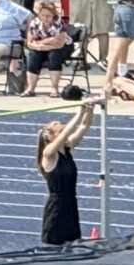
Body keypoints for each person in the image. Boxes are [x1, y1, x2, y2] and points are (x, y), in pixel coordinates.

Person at [37, 96, 102, 246]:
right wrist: (79, 112)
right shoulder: (49, 154)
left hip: (71, 203)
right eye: (59, 131)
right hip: (57, 207)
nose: (63, 132)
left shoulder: (67, 148)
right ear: (51, 137)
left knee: (73, 244)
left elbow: (84, 126)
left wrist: (89, 109)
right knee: (55, 246)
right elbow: (67, 133)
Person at [23, 1, 73, 98]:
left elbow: (59, 44)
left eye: (48, 15)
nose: (45, 18)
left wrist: (40, 44)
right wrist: (46, 42)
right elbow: (30, 43)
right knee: (33, 55)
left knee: (54, 55)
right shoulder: (35, 23)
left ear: (53, 15)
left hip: (63, 47)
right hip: (42, 48)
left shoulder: (58, 23)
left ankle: (54, 88)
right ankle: (31, 88)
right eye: (43, 15)